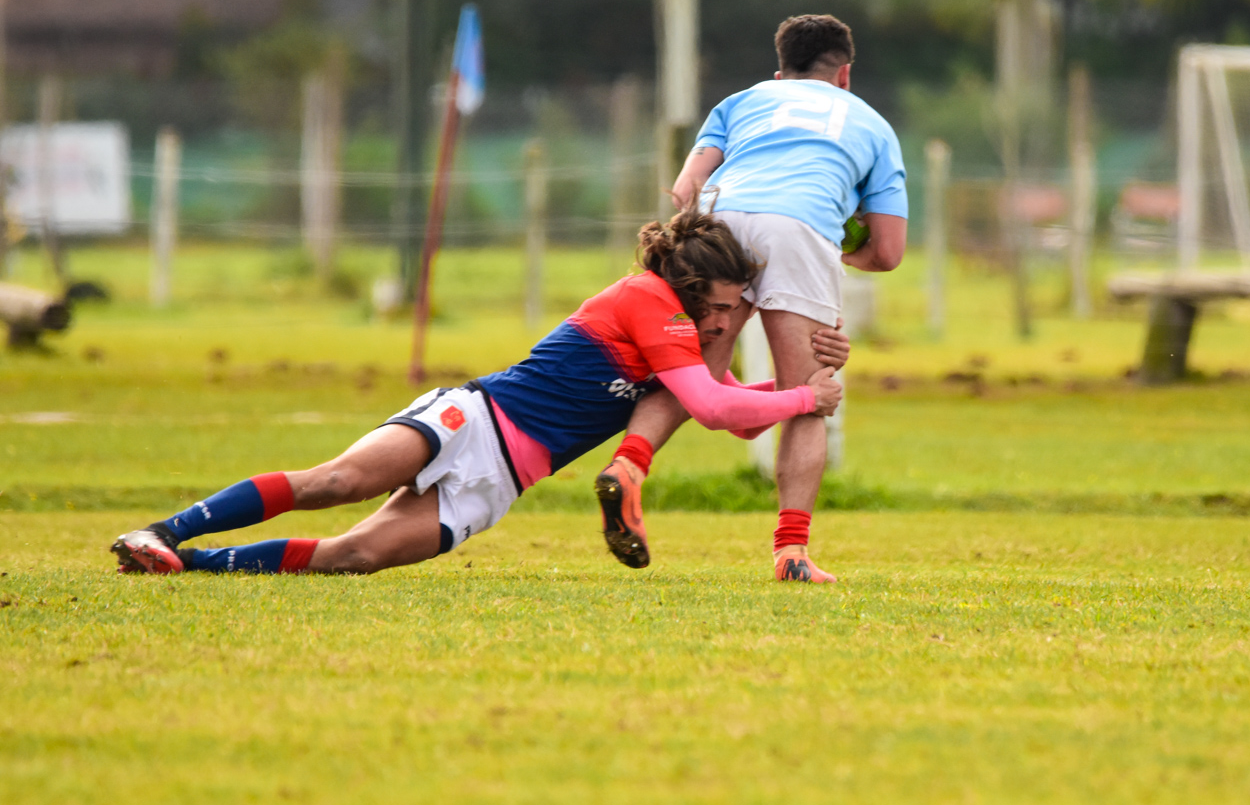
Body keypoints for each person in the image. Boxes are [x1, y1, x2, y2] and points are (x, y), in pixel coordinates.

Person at [110, 210, 845, 576]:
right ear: (688, 287)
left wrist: (793, 388)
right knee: (334, 481)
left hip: (505, 478)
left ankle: (184, 568)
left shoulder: (682, 340)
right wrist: (806, 398)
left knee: (354, 555)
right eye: (722, 303)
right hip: (476, 418)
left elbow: (735, 418)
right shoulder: (649, 298)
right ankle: (163, 531)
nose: (728, 317)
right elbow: (718, 410)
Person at [606, 13, 906, 585]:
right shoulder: (872, 123)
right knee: (808, 395)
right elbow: (888, 251)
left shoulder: (743, 100)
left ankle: (630, 465)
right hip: (802, 225)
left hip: (721, 217)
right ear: (844, 74)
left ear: (779, 70)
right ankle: (790, 552)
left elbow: (684, 188)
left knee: (688, 373)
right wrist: (832, 249)